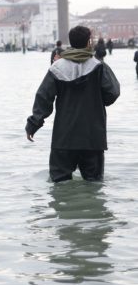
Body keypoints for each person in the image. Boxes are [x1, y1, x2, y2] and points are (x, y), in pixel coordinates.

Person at [25, 25, 120, 182]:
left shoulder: (56, 68)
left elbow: (43, 98)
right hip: (93, 138)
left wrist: (33, 124)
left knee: (60, 184)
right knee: (94, 186)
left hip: (63, 139)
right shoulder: (99, 66)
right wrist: (96, 99)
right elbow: (113, 93)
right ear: (89, 42)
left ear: (71, 42)